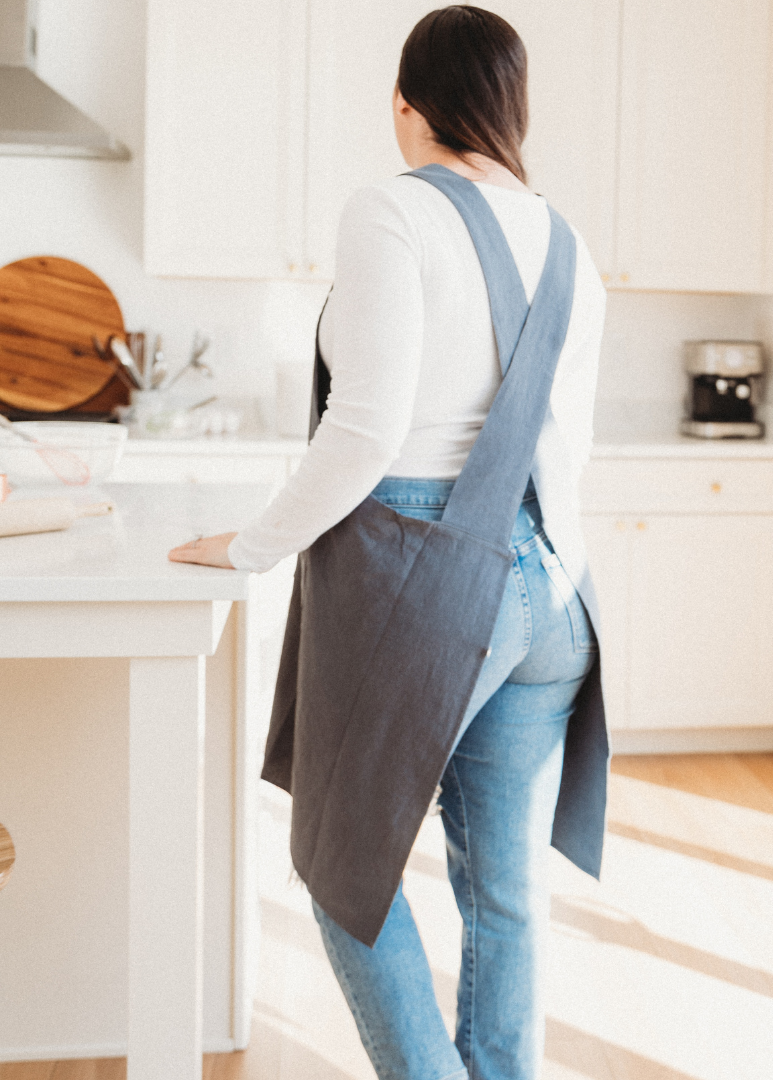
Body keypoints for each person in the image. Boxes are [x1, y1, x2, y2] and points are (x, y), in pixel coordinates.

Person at [169, 7, 609, 1079]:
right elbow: (565, 442)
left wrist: (253, 545)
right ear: (513, 110)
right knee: (505, 892)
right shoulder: (569, 243)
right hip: (552, 587)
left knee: (339, 868)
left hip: (426, 576)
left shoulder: (393, 210)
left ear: (408, 107)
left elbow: (365, 429)